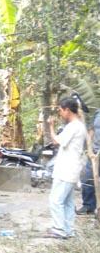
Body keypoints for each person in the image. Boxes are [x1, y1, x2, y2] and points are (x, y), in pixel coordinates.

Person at [47, 97, 87, 239]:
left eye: (60, 110)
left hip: (66, 170)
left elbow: (57, 141)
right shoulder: (78, 126)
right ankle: (69, 229)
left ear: (67, 110)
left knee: (55, 200)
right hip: (71, 169)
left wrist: (51, 126)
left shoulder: (73, 127)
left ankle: (59, 228)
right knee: (68, 202)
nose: (60, 113)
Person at [78, 108, 100, 214]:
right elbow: (91, 130)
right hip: (94, 153)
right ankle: (88, 206)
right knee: (87, 178)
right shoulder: (98, 112)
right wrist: (89, 148)